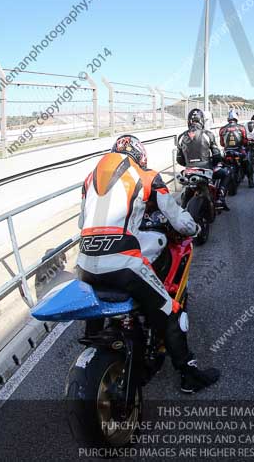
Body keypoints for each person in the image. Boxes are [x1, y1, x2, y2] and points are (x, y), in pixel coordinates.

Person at [77, 134, 220, 393]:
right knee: (170, 311)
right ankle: (189, 374)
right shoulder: (146, 176)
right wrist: (195, 227)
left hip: (85, 263)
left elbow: (82, 224)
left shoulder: (90, 178)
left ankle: (94, 344)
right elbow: (177, 219)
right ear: (140, 157)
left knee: (96, 305)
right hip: (122, 264)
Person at [177, 108, 229, 211]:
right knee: (226, 173)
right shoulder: (208, 134)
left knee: (183, 198)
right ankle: (220, 198)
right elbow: (217, 156)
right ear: (202, 121)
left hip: (188, 171)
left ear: (188, 121)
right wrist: (214, 163)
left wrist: (189, 163)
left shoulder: (181, 137)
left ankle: (182, 209)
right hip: (205, 170)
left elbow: (179, 160)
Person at [219, 110, 254, 188]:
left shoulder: (222, 129)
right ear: (236, 118)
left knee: (221, 165)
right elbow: (245, 141)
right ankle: (250, 182)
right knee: (248, 163)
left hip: (227, 152)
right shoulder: (241, 128)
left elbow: (222, 143)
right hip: (239, 151)